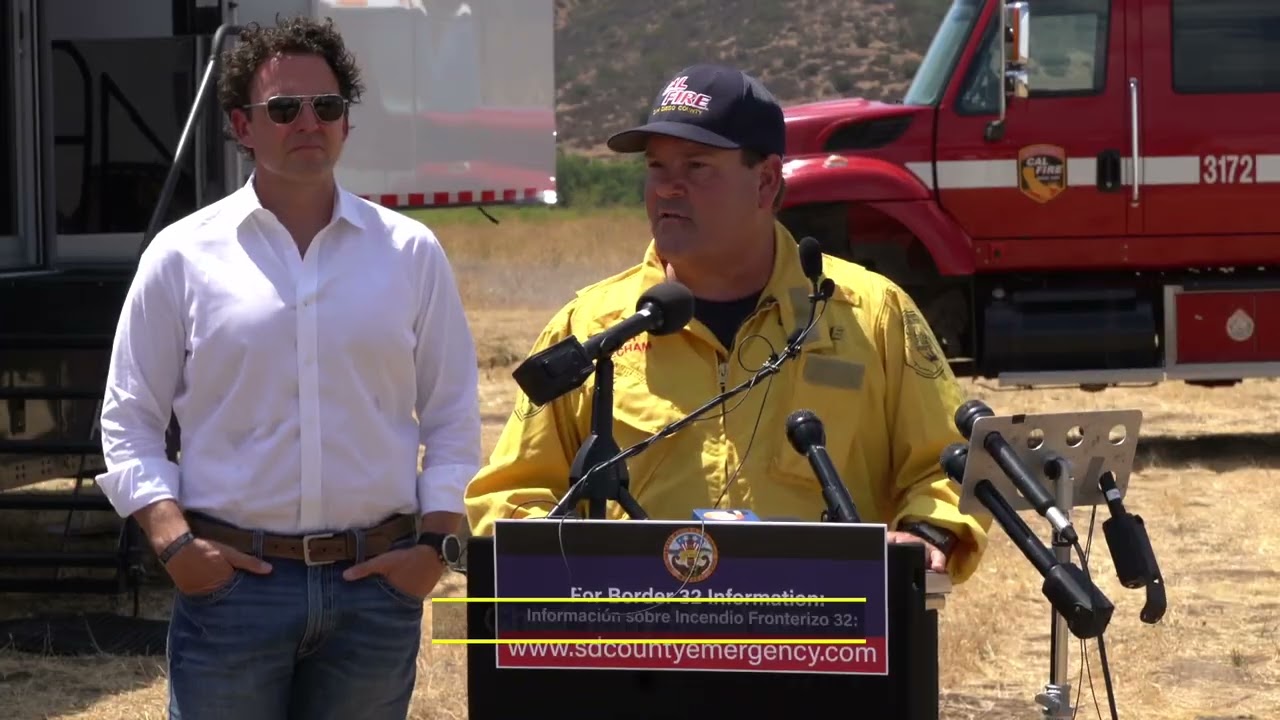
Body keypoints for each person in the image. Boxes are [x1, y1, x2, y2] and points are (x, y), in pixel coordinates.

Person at [464, 64, 992, 583]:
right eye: (656, 168)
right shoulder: (594, 326)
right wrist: (554, 560)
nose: (668, 189)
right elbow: (513, 491)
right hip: (636, 644)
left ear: (765, 183)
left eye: (696, 167)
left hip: (824, 641)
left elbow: (947, 466)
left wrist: (928, 535)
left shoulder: (871, 314)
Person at [94, 15, 481, 720]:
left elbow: (454, 412)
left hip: (377, 587)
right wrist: (175, 544)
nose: (309, 122)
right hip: (233, 591)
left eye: (327, 107)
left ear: (347, 125)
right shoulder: (181, 258)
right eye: (284, 109)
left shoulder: (411, 252)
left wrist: (436, 548)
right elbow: (129, 421)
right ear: (243, 125)